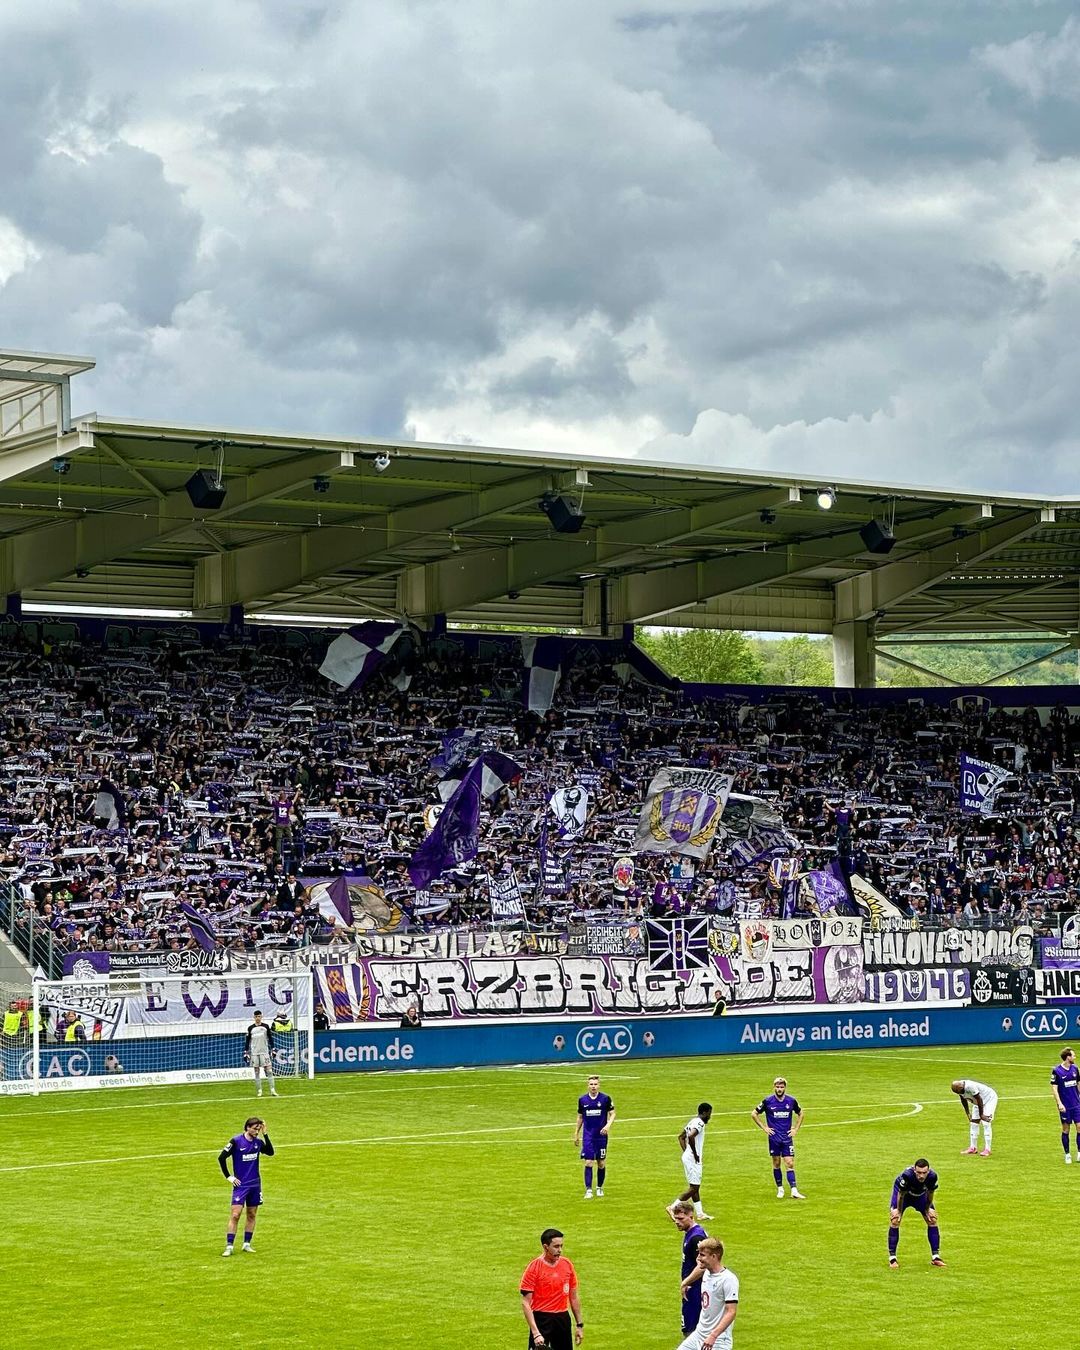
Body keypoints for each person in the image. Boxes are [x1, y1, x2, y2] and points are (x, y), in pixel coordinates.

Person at [218, 1116, 275, 1256]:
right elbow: (221, 1157)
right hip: (241, 1185)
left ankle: (246, 1244)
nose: (257, 1131)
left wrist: (265, 1134)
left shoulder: (258, 1142)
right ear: (247, 1127)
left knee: (251, 1214)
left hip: (255, 1184)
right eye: (255, 1129)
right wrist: (229, 1177)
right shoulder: (236, 1141)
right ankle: (229, 1246)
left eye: (258, 1129)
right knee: (236, 1214)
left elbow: (271, 1152)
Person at [520, 1227, 584, 1348]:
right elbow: (525, 1303)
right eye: (556, 1246)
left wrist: (579, 1325)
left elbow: (573, 1297)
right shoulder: (534, 1268)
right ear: (545, 1247)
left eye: (561, 1246)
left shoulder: (567, 1265)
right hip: (541, 1319)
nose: (560, 1250)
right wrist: (535, 1333)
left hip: (562, 1319)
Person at [676, 1236, 738, 1350]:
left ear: (714, 1256)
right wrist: (685, 1283)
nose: (698, 1258)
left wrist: (713, 1336)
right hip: (699, 1334)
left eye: (702, 1255)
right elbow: (700, 1269)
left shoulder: (728, 1279)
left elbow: (731, 1312)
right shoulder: (707, 1271)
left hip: (718, 1341)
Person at [751, 1076, 806, 1199]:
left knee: (790, 1163)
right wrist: (764, 1127)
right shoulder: (768, 1101)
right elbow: (754, 1113)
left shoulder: (791, 1101)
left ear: (785, 1088)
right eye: (777, 1087)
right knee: (776, 1163)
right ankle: (780, 1188)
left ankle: (794, 1190)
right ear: (774, 1087)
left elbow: (801, 1113)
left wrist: (796, 1129)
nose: (779, 1089)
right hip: (774, 1138)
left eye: (781, 1087)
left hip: (787, 1138)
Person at [888, 1157, 945, 1268]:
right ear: (914, 1170)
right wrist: (898, 1211)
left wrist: (928, 1209)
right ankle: (892, 1259)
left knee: (932, 1219)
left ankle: (936, 1257)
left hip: (920, 1196)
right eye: (918, 1172)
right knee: (895, 1220)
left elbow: (930, 1193)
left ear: (928, 1171)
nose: (921, 1176)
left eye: (924, 1173)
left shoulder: (932, 1177)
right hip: (904, 1196)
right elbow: (901, 1194)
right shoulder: (907, 1176)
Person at [667, 1102, 714, 1222]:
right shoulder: (700, 1123)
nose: (710, 1116)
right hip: (692, 1158)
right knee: (694, 1187)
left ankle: (700, 1213)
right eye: (709, 1113)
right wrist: (694, 1153)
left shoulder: (693, 1121)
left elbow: (681, 1137)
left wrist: (686, 1152)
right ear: (704, 1112)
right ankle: (673, 1207)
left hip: (688, 1157)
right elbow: (691, 1136)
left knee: (694, 1186)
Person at [669, 1200, 708, 1337]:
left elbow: (703, 1266)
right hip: (693, 1288)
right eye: (675, 1219)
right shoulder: (692, 1232)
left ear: (691, 1217)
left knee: (691, 1330)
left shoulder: (696, 1237)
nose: (677, 1222)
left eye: (680, 1219)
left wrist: (686, 1282)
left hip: (695, 1289)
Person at [574, 1074, 614, 1198]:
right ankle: (589, 1190)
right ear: (588, 1086)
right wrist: (576, 1133)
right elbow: (580, 1117)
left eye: (595, 1084)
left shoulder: (605, 1099)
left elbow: (612, 1114)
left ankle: (599, 1187)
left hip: (601, 1137)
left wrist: (607, 1126)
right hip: (588, 1136)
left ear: (599, 1085)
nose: (593, 1086)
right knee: (588, 1162)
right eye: (591, 1084)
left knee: (601, 1162)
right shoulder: (582, 1100)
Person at [951, 1078, 997, 1156]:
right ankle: (973, 1148)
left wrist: (982, 1115)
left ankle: (987, 1149)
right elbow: (963, 1099)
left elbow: (979, 1099)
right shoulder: (958, 1088)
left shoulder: (969, 1086)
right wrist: (968, 1113)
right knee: (973, 1123)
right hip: (977, 1102)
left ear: (962, 1087)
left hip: (988, 1099)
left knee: (986, 1123)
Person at [1050, 1046, 1080, 1163]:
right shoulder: (1057, 1071)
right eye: (1073, 1055)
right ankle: (1067, 1154)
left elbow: (1078, 1083)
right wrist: (1059, 1104)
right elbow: (1054, 1088)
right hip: (1065, 1106)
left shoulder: (1075, 1069)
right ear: (1068, 1057)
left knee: (1079, 1127)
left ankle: (1079, 1152)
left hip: (1076, 1104)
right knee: (1066, 1129)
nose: (1075, 1057)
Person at [244, 1009, 279, 1098]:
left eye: (259, 1016)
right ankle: (259, 1091)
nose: (257, 1018)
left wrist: (273, 1049)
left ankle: (272, 1090)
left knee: (270, 1071)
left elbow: (270, 1038)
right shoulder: (250, 1028)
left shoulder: (266, 1027)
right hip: (255, 1053)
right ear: (253, 1017)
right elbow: (247, 1041)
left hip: (265, 1052)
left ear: (261, 1017)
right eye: (256, 1017)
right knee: (256, 1072)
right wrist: (246, 1052)